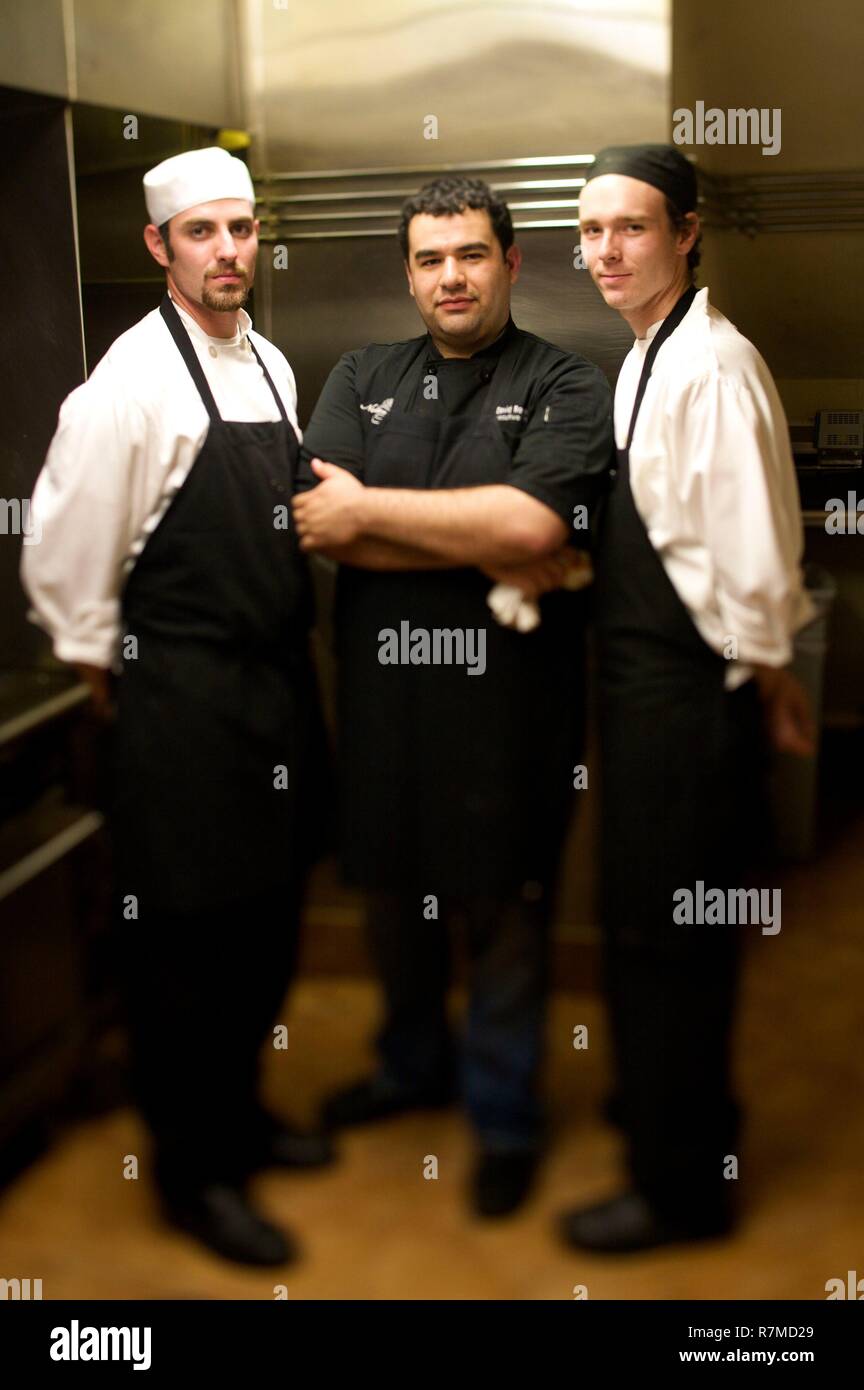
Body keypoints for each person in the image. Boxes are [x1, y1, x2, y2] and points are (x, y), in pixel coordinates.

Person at [22, 146, 332, 1267]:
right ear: (159, 247)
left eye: (242, 230)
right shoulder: (126, 391)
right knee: (186, 953)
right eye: (202, 233)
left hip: (276, 690)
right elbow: (65, 568)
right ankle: (193, 1174)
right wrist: (126, 684)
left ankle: (240, 1119)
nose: (228, 253)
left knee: (265, 929)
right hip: (182, 700)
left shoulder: (273, 365)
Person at [292, 176, 612, 1216]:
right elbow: (319, 525)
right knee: (391, 899)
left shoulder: (568, 383)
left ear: (511, 264)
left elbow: (530, 531)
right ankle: (410, 1068)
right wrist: (494, 534)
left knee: (506, 912)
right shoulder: (358, 372)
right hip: (385, 705)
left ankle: (505, 1115)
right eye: (431, 259)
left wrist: (391, 521)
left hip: (513, 712)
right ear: (408, 274)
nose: (452, 276)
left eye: (471, 254)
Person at [556, 144, 815, 1252]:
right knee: (655, 931)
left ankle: (681, 1191)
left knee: (671, 940)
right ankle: (677, 1117)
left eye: (632, 228)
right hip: (648, 688)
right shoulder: (646, 356)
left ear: (687, 232)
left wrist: (770, 685)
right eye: (592, 230)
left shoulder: (708, 365)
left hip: (685, 698)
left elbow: (755, 560)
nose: (606, 252)